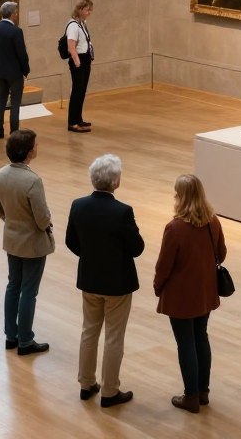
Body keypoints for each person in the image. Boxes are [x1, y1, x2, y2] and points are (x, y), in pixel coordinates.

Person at [65, 154, 144, 408]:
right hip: (117, 283)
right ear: (116, 181)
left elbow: (71, 241)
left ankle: (86, 383)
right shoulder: (122, 212)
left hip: (89, 279)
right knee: (113, 336)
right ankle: (110, 391)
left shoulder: (78, 205)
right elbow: (137, 248)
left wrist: (90, 256)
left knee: (89, 331)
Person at [154, 174, 227, 414]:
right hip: (205, 291)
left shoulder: (174, 228)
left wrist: (157, 286)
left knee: (185, 342)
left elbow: (164, 265)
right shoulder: (213, 222)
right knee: (200, 337)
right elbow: (221, 253)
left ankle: (191, 396)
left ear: (181, 197)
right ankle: (203, 392)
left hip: (180, 296)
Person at [0, 128, 54, 355]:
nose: (37, 148)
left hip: (12, 239)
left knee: (13, 286)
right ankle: (26, 340)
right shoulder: (33, 180)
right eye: (35, 145)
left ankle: (11, 335)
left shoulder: (1, 174)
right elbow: (42, 218)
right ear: (29, 152)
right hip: (32, 244)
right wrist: (47, 221)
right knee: (29, 291)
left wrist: (13, 223)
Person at [0, 1, 30, 139]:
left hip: (0, 71)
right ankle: (14, 132)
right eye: (16, 13)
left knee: (0, 101)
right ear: (12, 14)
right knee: (15, 103)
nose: (17, 15)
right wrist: (26, 70)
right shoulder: (16, 31)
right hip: (15, 72)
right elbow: (21, 54)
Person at [66, 0, 94, 133]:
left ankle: (78, 119)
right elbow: (71, 47)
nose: (90, 12)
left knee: (82, 91)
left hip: (85, 59)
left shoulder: (82, 23)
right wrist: (77, 62)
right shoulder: (73, 26)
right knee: (77, 91)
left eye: (91, 10)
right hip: (78, 60)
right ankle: (72, 123)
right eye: (88, 10)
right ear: (80, 9)